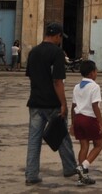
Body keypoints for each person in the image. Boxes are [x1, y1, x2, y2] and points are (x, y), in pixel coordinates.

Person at [25, 22, 93, 186]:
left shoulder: (33, 52)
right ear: (57, 36)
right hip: (52, 103)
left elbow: (31, 76)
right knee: (62, 137)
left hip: (35, 102)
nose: (60, 40)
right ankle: (69, 168)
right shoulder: (57, 53)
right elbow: (57, 81)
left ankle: (31, 174)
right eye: (60, 37)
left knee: (34, 140)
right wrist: (63, 103)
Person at [71, 60, 102, 185]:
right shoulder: (95, 86)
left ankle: (82, 178)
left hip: (79, 118)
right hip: (90, 119)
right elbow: (95, 105)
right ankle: (83, 166)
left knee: (84, 146)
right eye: (96, 71)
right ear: (91, 73)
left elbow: (73, 106)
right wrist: (101, 123)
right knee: (99, 145)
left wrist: (73, 124)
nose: (97, 73)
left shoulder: (76, 87)